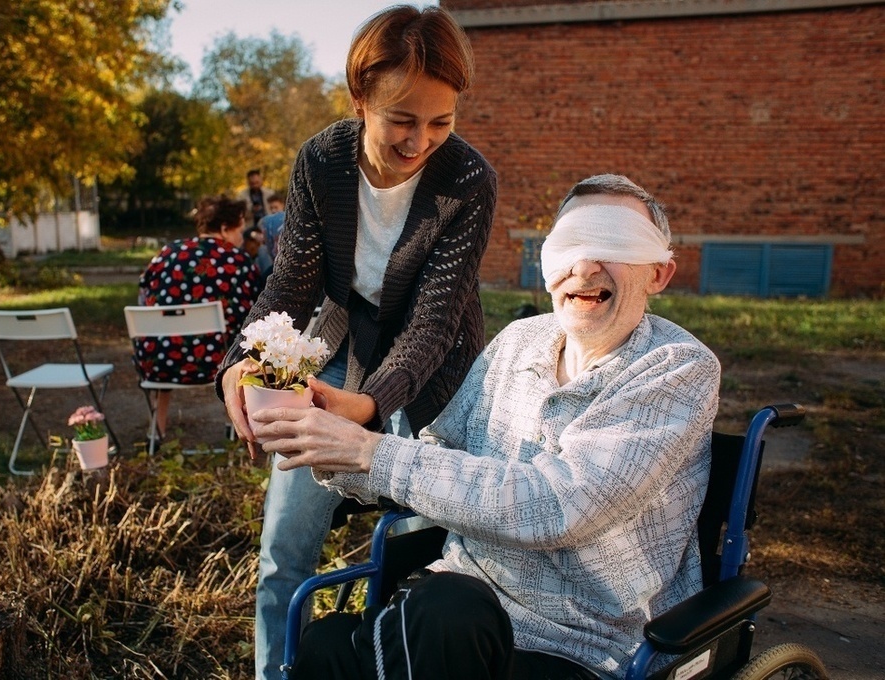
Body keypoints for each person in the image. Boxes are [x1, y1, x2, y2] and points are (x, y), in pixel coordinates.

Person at [252, 174, 722, 680]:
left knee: (445, 613)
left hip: (581, 644)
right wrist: (331, 444)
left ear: (659, 274)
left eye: (613, 243)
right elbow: (443, 449)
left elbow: (561, 506)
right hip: (449, 608)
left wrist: (371, 452)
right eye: (570, 244)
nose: (584, 266)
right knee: (324, 645)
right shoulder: (519, 342)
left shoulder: (677, 368)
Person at [214, 6, 498, 679]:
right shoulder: (322, 161)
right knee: (284, 552)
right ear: (360, 97)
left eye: (440, 121)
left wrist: (367, 408)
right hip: (338, 351)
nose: (419, 140)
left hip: (434, 378)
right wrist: (240, 364)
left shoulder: (467, 181)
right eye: (402, 118)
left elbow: (432, 324)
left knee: (411, 557)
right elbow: (290, 283)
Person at [135, 195, 261, 447]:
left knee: (169, 339)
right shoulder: (238, 260)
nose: (242, 235)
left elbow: (143, 298)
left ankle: (156, 432)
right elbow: (254, 314)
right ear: (225, 228)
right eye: (239, 228)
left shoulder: (166, 253)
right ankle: (236, 427)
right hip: (218, 365)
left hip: (160, 362)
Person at [258, 193, 285, 272]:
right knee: (262, 249)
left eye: (276, 207)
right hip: (272, 255)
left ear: (282, 205)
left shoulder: (288, 219)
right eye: (271, 208)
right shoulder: (266, 222)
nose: (273, 210)